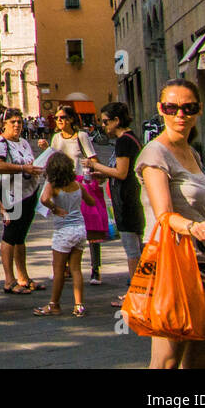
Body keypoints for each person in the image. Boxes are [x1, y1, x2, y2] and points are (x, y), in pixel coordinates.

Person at [136, 79, 205, 369]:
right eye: (172, 108)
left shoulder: (192, 153)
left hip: (204, 265)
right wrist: (192, 227)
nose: (180, 115)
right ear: (161, 109)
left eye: (189, 108)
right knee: (166, 362)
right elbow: (164, 216)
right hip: (173, 265)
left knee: (200, 359)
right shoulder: (154, 154)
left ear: (198, 111)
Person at [86, 102, 145, 308]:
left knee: (132, 251)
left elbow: (121, 172)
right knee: (136, 248)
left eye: (105, 121)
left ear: (116, 121)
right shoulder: (130, 139)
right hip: (129, 199)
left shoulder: (124, 141)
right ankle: (138, 291)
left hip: (128, 201)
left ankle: (136, 293)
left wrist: (95, 165)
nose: (103, 126)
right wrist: (101, 173)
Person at [34, 151, 95, 317]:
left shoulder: (53, 186)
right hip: (80, 229)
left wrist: (55, 209)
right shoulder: (77, 185)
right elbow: (91, 201)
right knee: (76, 269)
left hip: (63, 231)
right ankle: (78, 305)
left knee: (59, 269)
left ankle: (54, 304)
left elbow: (44, 199)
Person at [49, 104, 103, 284]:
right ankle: (65, 268)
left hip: (81, 183)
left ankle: (95, 269)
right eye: (57, 118)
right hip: (63, 186)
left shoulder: (81, 136)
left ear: (71, 119)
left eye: (62, 117)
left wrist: (88, 167)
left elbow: (93, 159)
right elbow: (53, 160)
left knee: (90, 227)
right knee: (64, 225)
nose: (59, 121)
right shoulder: (56, 138)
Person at [0, 108, 44, 294]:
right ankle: (9, 280)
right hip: (12, 196)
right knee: (10, 236)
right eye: (12, 122)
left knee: (21, 237)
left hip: (29, 193)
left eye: (19, 122)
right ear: (3, 124)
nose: (17, 125)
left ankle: (23, 277)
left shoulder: (23, 142)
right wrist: (23, 168)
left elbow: (30, 162)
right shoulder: (1, 142)